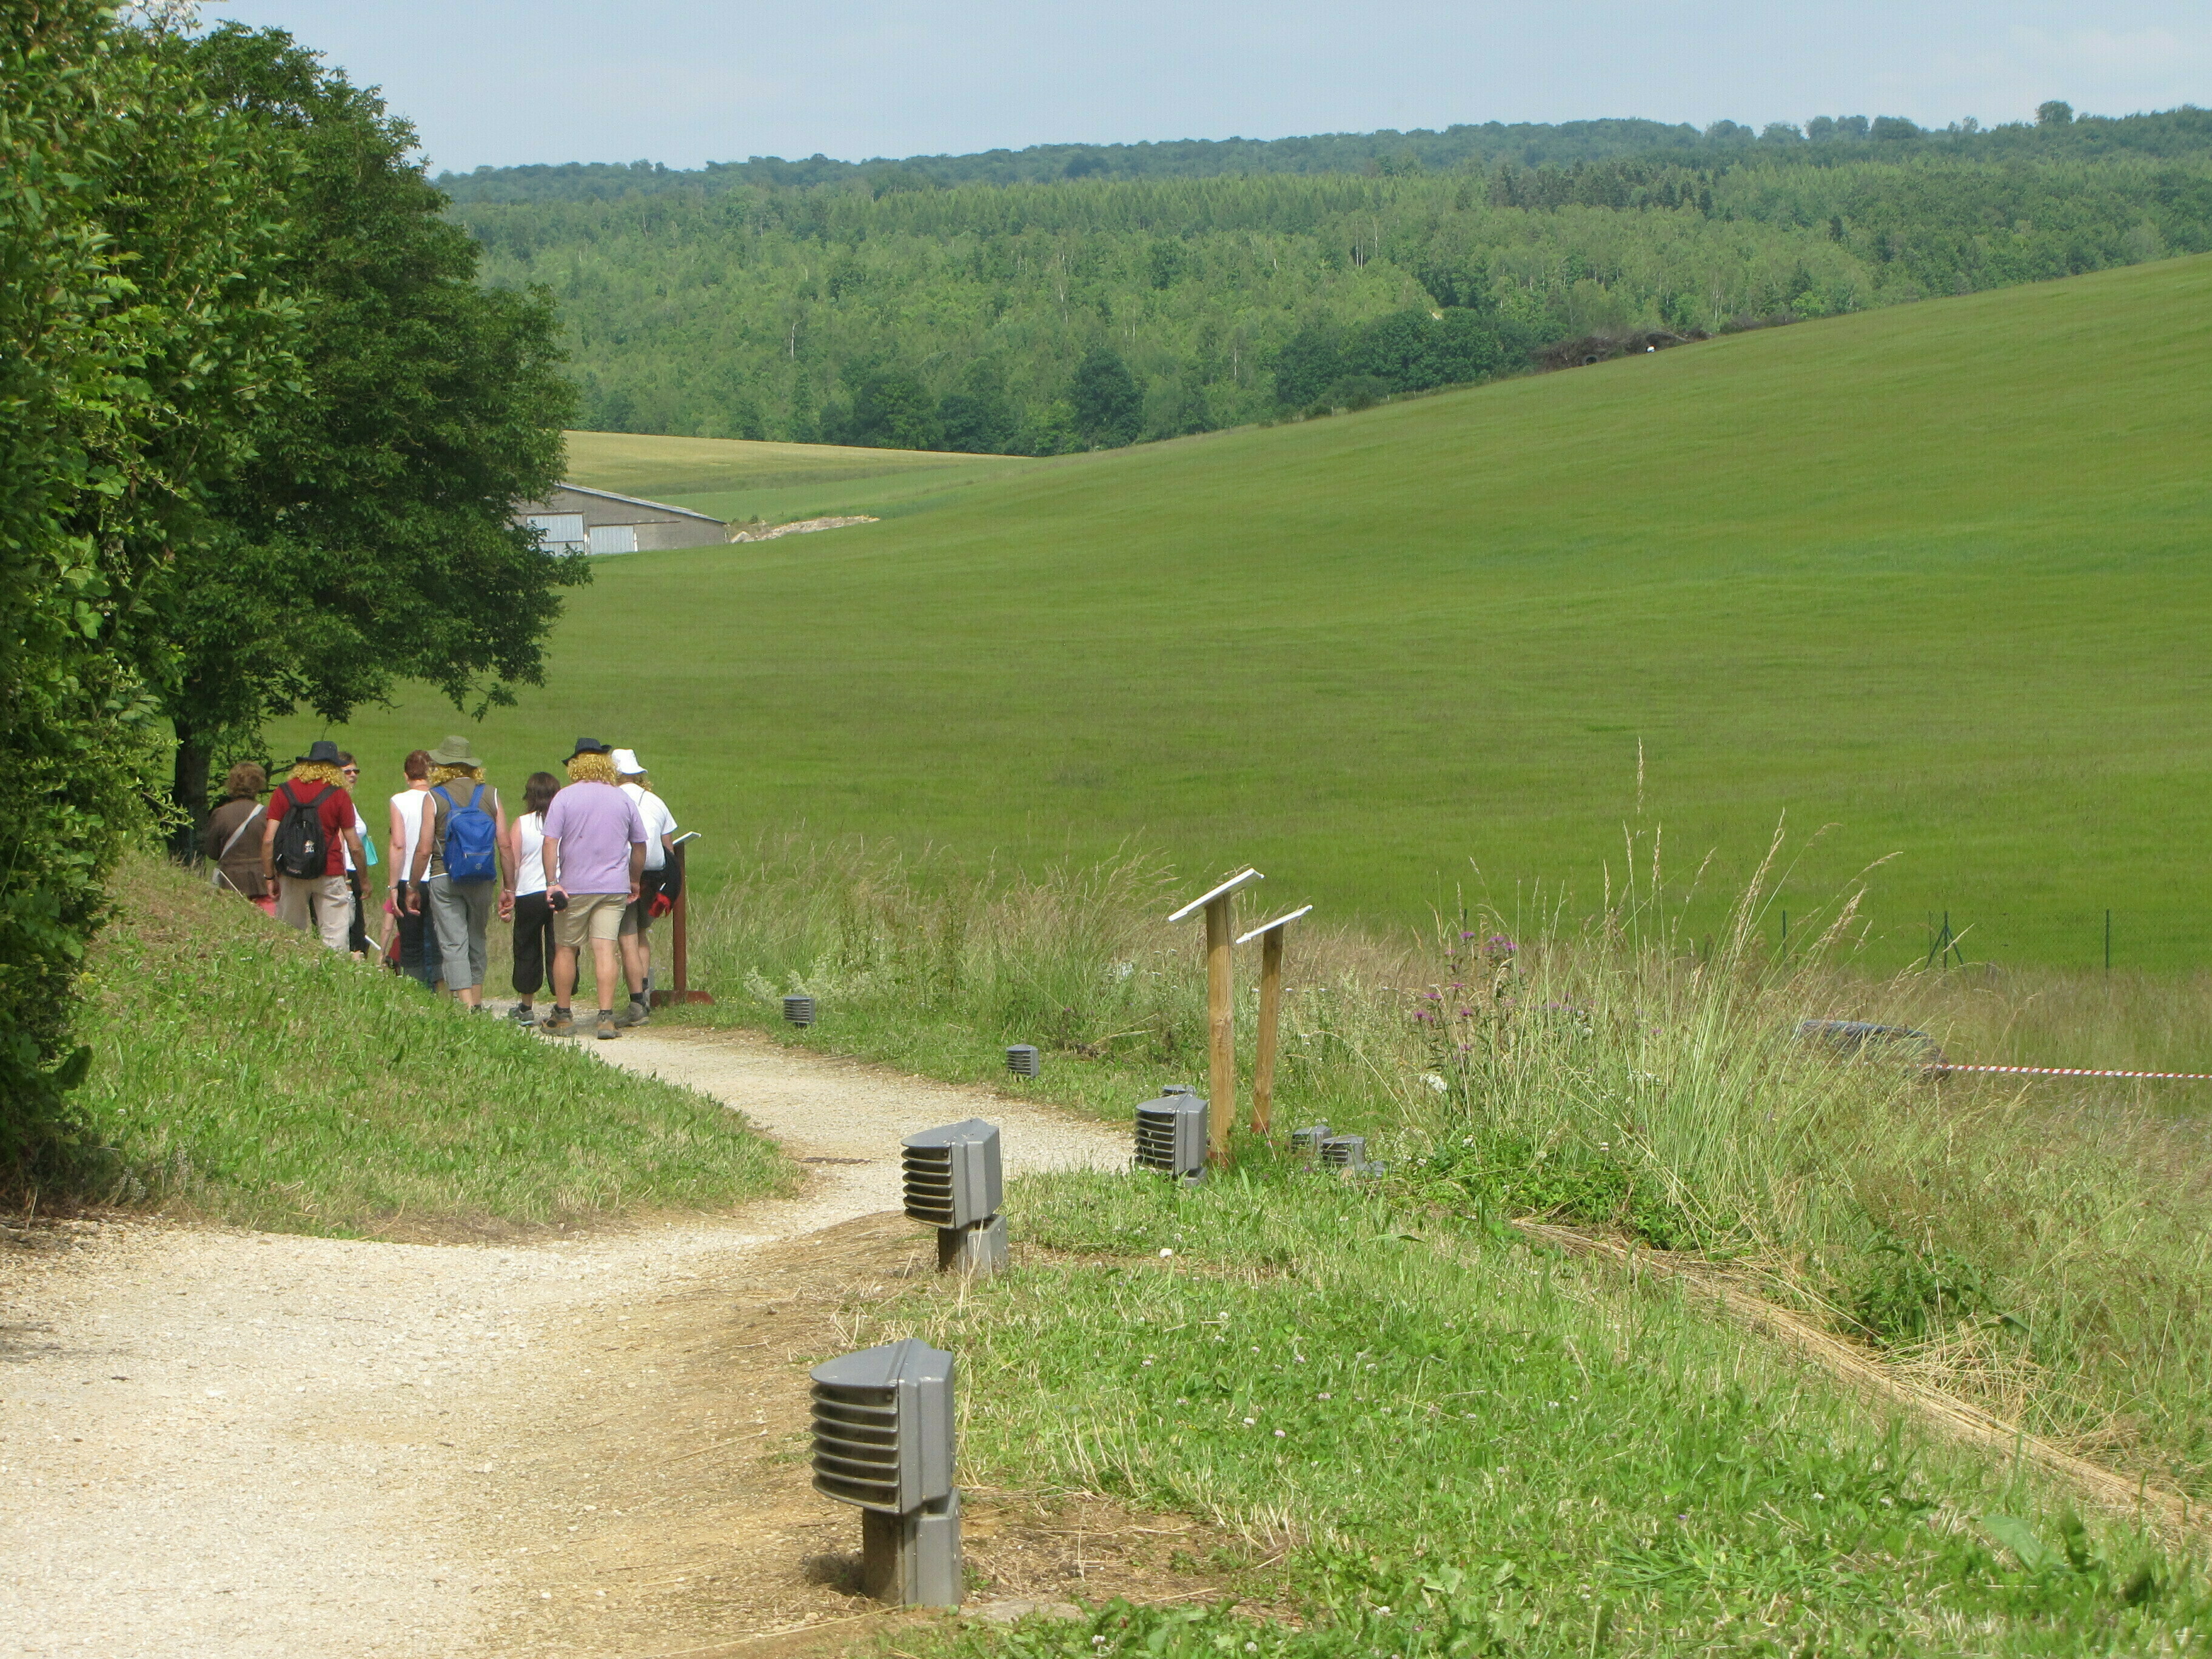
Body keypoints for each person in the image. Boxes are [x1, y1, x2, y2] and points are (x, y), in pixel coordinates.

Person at [540, 738, 645, 1041]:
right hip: (613, 886)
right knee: (605, 950)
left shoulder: (565, 797)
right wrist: (633, 879)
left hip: (574, 887)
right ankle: (606, 1018)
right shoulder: (622, 798)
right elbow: (639, 844)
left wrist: (552, 883)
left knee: (566, 948)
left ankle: (563, 1015)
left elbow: (550, 841)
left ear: (575, 765)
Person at [409, 736, 511, 1010]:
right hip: (482, 877)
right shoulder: (491, 794)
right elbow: (504, 844)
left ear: (441, 764)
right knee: (478, 938)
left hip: (445, 875)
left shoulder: (434, 797)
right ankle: (477, 1000)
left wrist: (413, 886)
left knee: (454, 943)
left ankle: (467, 1006)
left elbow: (423, 848)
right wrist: (509, 887)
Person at [261, 740, 365, 952]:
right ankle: (332, 980)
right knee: (334, 936)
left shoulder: (284, 792)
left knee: (289, 934)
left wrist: (270, 876)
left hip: (291, 871)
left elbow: (268, 840)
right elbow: (354, 846)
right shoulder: (338, 794)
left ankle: (290, 978)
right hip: (330, 871)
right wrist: (363, 880)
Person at [611, 748, 679, 1028]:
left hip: (624, 873)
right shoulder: (655, 800)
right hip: (654, 876)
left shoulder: (613, 799)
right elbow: (669, 846)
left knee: (626, 936)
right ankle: (645, 995)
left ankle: (636, 1001)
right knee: (641, 934)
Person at [503, 771, 561, 1027]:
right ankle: (562, 1005)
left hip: (528, 893)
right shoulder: (564, 823)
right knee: (560, 949)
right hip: (559, 892)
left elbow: (512, 861)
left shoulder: (522, 823)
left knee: (527, 948)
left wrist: (508, 892)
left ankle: (526, 1006)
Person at [387, 750, 442, 990]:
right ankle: (440, 992)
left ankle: (414, 991)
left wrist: (392, 885)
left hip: (408, 877)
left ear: (406, 775)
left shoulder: (399, 800)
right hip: (436, 875)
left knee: (410, 942)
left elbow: (398, 844)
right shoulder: (439, 798)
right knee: (437, 941)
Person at [204, 762, 272, 914]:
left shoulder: (221, 814)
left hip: (230, 883)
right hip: (263, 883)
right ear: (259, 784)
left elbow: (212, 852)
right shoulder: (268, 814)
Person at [337, 752, 376, 957]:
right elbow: (341, 841)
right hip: (346, 872)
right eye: (347, 771)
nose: (353, 775)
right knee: (354, 929)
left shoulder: (346, 800)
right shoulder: (340, 800)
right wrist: (352, 878)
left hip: (348, 870)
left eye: (356, 771)